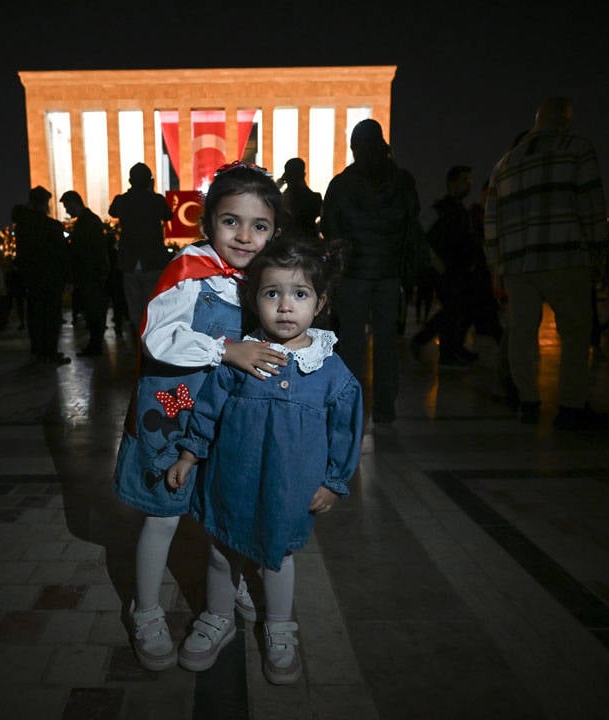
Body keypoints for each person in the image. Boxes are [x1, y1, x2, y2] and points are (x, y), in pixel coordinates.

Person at [113, 162, 289, 672]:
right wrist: (225, 349)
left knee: (223, 513)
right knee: (163, 513)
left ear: (275, 230)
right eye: (231, 221)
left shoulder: (264, 277)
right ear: (207, 221)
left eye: (260, 226)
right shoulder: (190, 270)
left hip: (227, 421)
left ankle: (226, 589)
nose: (245, 236)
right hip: (171, 417)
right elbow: (156, 337)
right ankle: (144, 610)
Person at [166, 235, 362, 684]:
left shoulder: (329, 369)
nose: (286, 307)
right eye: (273, 293)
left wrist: (334, 481)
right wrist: (190, 454)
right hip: (231, 479)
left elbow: (345, 430)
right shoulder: (244, 355)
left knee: (277, 558)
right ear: (255, 300)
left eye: (300, 294)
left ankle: (279, 625)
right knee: (220, 552)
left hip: (287, 488)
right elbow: (210, 409)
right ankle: (218, 619)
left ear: (321, 301)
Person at [483, 97, 609, 431]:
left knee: (522, 334)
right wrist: (598, 252)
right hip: (564, 255)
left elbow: (491, 221)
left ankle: (528, 401)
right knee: (575, 333)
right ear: (565, 120)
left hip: (517, 263)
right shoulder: (577, 149)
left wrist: (496, 264)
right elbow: (592, 205)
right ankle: (571, 405)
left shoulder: (505, 163)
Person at [322, 118, 422, 425]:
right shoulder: (402, 180)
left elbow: (328, 227)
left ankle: (352, 406)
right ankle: (384, 409)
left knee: (352, 343)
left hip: (354, 274)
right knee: (386, 343)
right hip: (389, 273)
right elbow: (411, 224)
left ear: (355, 147)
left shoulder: (342, 183)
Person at [411, 165, 502, 368]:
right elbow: (419, 235)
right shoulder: (440, 209)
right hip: (445, 271)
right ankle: (441, 350)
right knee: (452, 310)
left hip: (458, 271)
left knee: (457, 309)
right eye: (464, 180)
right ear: (452, 183)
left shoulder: (460, 211)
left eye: (470, 181)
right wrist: (434, 260)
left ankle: (451, 349)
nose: (468, 185)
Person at [110, 163, 174, 337]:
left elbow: (112, 211)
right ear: (149, 181)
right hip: (153, 260)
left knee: (134, 305)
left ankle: (139, 339)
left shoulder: (122, 200)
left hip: (130, 261)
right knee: (154, 303)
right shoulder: (156, 200)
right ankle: (153, 339)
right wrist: (151, 191)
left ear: (130, 180)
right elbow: (169, 215)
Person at [12, 187, 71, 364]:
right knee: (50, 317)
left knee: (36, 315)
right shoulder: (50, 226)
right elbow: (61, 254)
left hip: (32, 278)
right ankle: (49, 352)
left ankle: (39, 350)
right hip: (49, 278)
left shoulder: (22, 225)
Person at [61, 190, 110, 356]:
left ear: (75, 203)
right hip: (91, 274)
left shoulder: (87, 222)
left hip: (91, 275)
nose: (67, 211)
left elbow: (89, 251)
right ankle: (94, 345)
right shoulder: (89, 220)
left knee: (94, 311)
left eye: (67, 207)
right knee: (93, 312)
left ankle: (95, 347)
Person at [277, 157, 322, 241]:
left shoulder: (282, 200)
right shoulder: (315, 198)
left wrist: (279, 184)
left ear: (286, 177)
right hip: (310, 242)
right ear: (303, 174)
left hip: (287, 243)